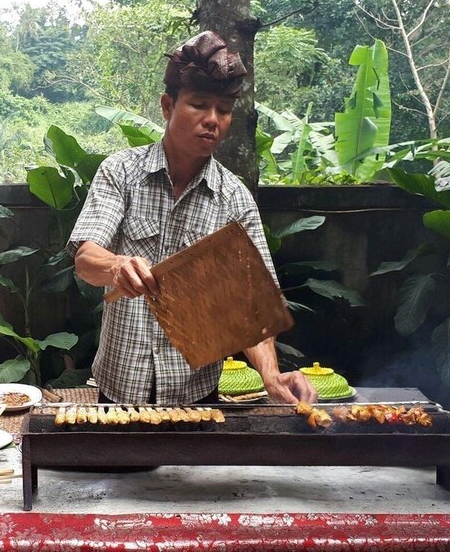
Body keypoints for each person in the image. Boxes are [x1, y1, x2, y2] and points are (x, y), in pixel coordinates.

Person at [68, 31, 317, 407]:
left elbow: (252, 306)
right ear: (168, 107)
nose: (212, 120)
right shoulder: (120, 172)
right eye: (199, 105)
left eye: (224, 110)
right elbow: (85, 258)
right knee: (117, 469)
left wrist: (270, 374)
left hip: (196, 396)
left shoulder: (235, 199)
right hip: (119, 387)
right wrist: (118, 266)